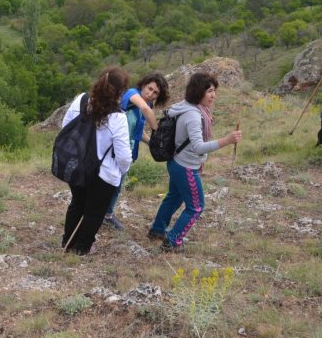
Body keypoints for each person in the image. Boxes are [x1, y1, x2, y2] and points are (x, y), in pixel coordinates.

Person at [148, 72, 242, 252]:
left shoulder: (188, 107)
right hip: (185, 167)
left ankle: (157, 230)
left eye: (214, 91)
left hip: (177, 162)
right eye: (209, 91)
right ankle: (172, 242)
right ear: (199, 91)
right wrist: (227, 140)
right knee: (196, 207)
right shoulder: (193, 115)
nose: (213, 95)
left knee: (174, 198)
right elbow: (198, 147)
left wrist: (201, 160)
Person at [60, 66, 133, 255]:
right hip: (103, 172)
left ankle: (68, 242)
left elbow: (66, 126)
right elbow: (124, 155)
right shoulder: (118, 117)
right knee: (94, 210)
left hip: (76, 166)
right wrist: (122, 170)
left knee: (77, 203)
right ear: (120, 92)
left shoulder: (81, 100)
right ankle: (83, 247)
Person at [103, 73, 170, 230]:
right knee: (106, 183)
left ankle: (107, 215)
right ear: (143, 85)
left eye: (155, 93)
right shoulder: (131, 94)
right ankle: (96, 213)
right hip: (112, 147)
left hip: (128, 150)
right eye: (149, 88)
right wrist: (159, 132)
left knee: (117, 186)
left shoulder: (149, 105)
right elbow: (144, 108)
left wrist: (154, 144)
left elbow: (138, 132)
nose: (150, 94)